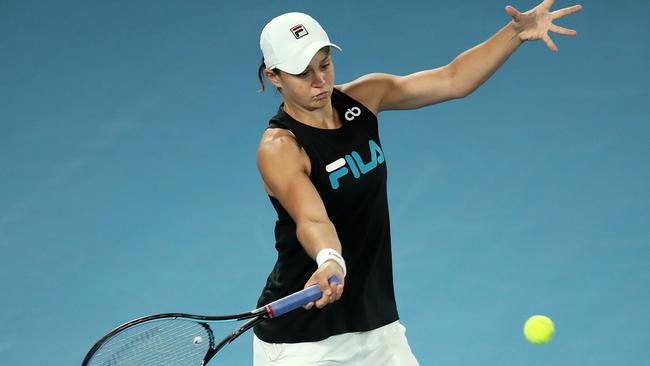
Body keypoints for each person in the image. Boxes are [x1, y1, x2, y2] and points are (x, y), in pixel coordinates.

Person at [253, 1, 582, 365]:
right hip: (302, 344)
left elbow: (453, 79)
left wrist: (516, 33)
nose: (320, 82)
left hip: (375, 327)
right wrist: (330, 260)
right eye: (303, 73)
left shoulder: (363, 98)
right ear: (274, 76)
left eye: (325, 64)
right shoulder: (280, 148)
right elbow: (313, 220)